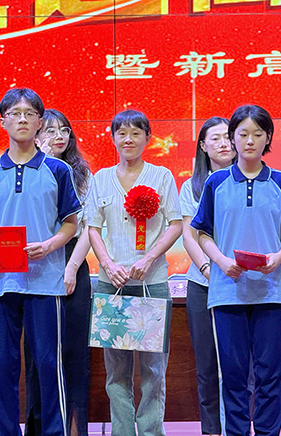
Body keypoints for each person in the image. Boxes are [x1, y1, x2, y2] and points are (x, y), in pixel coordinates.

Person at [0, 88, 81, 436]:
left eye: (29, 114)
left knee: (49, 364)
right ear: (2, 121)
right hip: (0, 282)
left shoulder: (58, 170)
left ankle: (54, 431)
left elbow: (71, 223)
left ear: (39, 122)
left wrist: (49, 245)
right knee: (3, 365)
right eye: (15, 113)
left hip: (45, 282)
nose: (22, 119)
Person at [191, 105, 281, 436]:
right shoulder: (216, 182)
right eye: (243, 134)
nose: (250, 140)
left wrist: (278, 258)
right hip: (227, 292)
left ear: (268, 138)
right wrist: (221, 261)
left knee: (270, 374)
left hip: (271, 292)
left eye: (257, 134)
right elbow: (202, 233)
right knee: (232, 374)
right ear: (233, 138)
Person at [87, 109, 183, 436]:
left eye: (135, 133)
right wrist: (107, 263)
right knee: (116, 371)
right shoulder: (101, 179)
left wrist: (151, 257)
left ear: (147, 138)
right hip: (111, 284)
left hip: (152, 283)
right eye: (122, 133)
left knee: (154, 369)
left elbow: (176, 223)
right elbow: (93, 227)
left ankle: (152, 431)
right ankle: (123, 431)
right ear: (113, 138)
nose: (128, 139)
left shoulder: (161, 176)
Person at [24, 109, 94, 436]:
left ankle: (75, 428)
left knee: (74, 352)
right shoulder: (28, 171)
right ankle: (39, 427)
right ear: (36, 134)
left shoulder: (82, 174)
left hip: (72, 261)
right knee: (39, 353)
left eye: (64, 130)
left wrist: (72, 268)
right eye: (50, 131)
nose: (59, 136)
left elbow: (88, 227)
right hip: (36, 262)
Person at [180, 116, 237, 436]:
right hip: (202, 283)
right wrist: (206, 268)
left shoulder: (247, 180)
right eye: (215, 138)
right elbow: (190, 235)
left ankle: (238, 426)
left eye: (228, 136)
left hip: (239, 281)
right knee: (206, 364)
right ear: (203, 146)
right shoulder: (192, 186)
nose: (224, 143)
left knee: (237, 363)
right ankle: (212, 429)